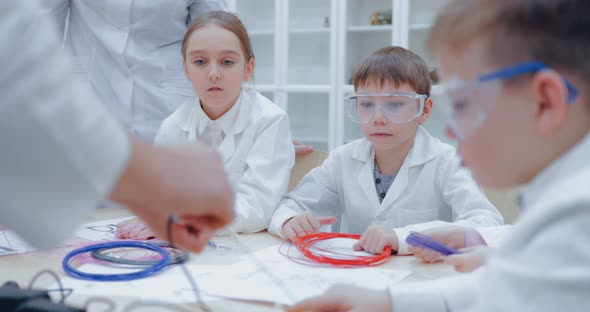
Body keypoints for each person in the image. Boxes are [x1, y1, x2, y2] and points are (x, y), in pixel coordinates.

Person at [289, 0, 590, 311]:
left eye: (462, 104)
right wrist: (386, 302)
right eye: (366, 104)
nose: (449, 131)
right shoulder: (561, 201)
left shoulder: (577, 214)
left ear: (545, 102)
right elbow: (507, 284)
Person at [1, 1, 234, 253]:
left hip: (168, 109)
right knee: (82, 244)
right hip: (88, 109)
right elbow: (25, 52)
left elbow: (218, 42)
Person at [269, 46, 503, 255]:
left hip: (421, 281)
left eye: (395, 104)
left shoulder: (447, 161)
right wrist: (289, 220)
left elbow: (487, 223)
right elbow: (292, 204)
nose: (378, 118)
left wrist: (403, 237)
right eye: (367, 104)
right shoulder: (343, 159)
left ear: (425, 109)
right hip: (361, 277)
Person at [116, 11, 294, 239]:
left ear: (248, 69)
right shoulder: (173, 127)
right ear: (186, 69)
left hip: (250, 248)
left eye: (227, 62)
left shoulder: (270, 121)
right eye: (200, 62)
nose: (213, 74)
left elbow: (257, 207)